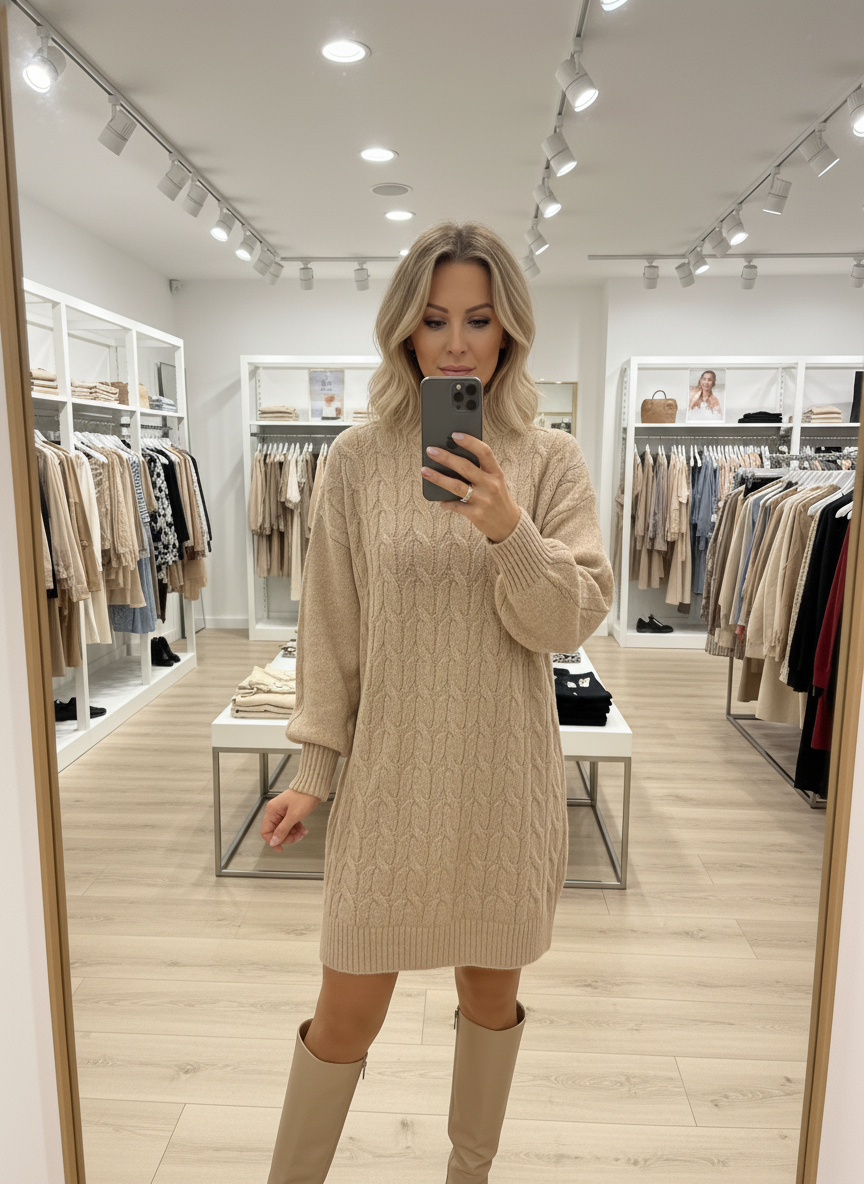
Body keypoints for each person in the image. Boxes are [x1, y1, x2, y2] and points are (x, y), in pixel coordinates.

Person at [260, 221, 614, 1184]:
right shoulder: (353, 461)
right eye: (435, 319)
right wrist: (313, 768)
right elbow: (332, 628)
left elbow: (568, 620)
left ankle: (469, 1174)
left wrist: (509, 530)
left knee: (490, 1002)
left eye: (479, 320)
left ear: (510, 333)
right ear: (404, 331)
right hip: (388, 785)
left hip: (502, 787)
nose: (457, 343)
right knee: (343, 1015)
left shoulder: (550, 460)